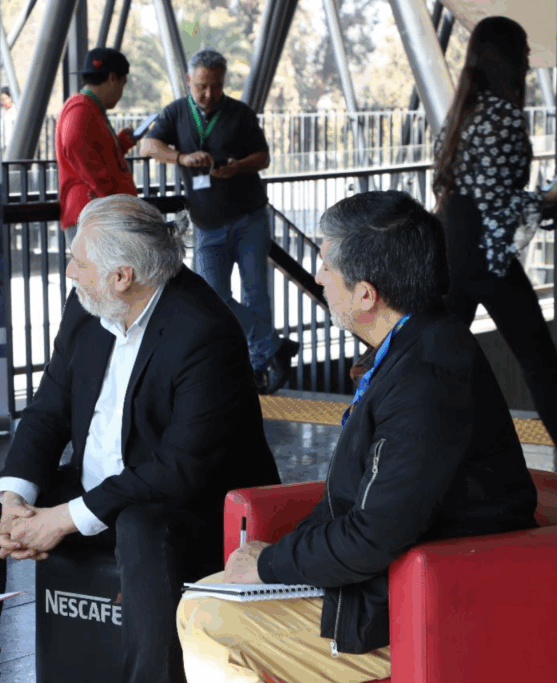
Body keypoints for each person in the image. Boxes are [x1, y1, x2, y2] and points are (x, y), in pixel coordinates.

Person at [177, 191, 538, 683]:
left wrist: (271, 565)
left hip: (424, 605)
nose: (319, 276)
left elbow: (374, 535)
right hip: (389, 583)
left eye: (325, 264)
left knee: (205, 617)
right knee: (208, 597)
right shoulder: (418, 341)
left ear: (367, 295)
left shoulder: (425, 379)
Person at [0, 194, 281, 683]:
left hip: (190, 504)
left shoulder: (203, 330)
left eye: (78, 261)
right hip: (104, 487)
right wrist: (17, 499)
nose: (69, 272)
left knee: (142, 528)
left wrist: (63, 519)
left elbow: (179, 470)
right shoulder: (89, 306)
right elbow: (49, 408)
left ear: (123, 276)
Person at [140, 48, 298, 395]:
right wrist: (180, 156)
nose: (209, 93)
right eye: (201, 86)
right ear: (188, 81)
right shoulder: (176, 112)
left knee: (257, 295)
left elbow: (264, 157)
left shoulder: (239, 113)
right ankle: (273, 345)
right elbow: (148, 146)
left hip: (249, 218)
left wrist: (238, 166)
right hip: (207, 224)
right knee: (214, 295)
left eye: (216, 85)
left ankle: (260, 367)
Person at [433, 15, 557, 442]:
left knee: (434, 360)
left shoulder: (462, 112)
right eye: (522, 51)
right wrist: (547, 200)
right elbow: (497, 206)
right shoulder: (503, 115)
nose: (527, 60)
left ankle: (411, 447)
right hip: (486, 257)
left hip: (453, 248)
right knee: (543, 366)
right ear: (506, 57)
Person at [56, 47, 138, 245]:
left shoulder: (89, 107)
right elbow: (75, 146)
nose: (121, 92)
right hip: (94, 214)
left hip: (97, 214)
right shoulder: (81, 107)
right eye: (122, 84)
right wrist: (110, 196)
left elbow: (93, 152)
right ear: (112, 78)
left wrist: (121, 143)